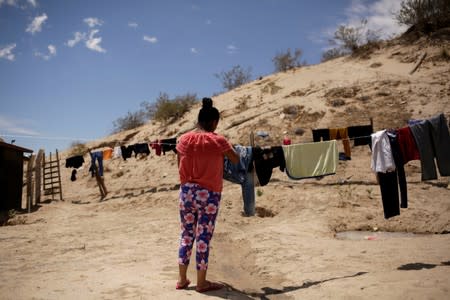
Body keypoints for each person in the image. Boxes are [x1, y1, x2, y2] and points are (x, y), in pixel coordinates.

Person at [175, 97, 239, 293]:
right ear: (214, 122)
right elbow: (235, 160)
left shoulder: (183, 139)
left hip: (186, 192)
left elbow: (179, 162)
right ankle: (202, 283)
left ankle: (182, 280)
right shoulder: (218, 140)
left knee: (186, 235)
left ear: (198, 121)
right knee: (203, 237)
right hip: (209, 195)